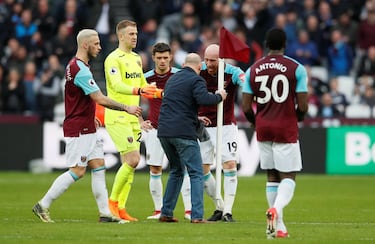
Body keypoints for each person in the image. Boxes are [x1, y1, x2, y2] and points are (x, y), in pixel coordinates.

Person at [32, 29, 142, 223]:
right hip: (79, 128)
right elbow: (98, 97)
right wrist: (126, 107)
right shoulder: (80, 70)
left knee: (99, 166)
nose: (100, 47)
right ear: (85, 45)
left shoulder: (75, 66)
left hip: (87, 126)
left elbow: (81, 99)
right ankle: (43, 204)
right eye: (96, 44)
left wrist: (91, 116)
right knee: (78, 171)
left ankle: (105, 214)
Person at [242, 28, 308, 238]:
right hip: (285, 127)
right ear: (285, 44)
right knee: (288, 176)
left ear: (266, 44)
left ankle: (278, 227)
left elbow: (245, 107)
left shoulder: (253, 69)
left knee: (271, 176)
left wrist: (255, 122)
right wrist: (296, 117)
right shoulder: (296, 68)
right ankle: (276, 211)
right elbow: (304, 105)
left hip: (263, 127)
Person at [157, 53, 227, 223]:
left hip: (164, 131)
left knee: (176, 171)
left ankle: (166, 212)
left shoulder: (172, 79)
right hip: (183, 133)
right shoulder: (196, 80)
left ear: (183, 64)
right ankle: (197, 216)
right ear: (199, 67)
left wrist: (195, 119)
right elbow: (203, 99)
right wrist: (219, 96)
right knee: (196, 172)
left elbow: (177, 106)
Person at [104, 19, 156, 221]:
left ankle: (122, 208)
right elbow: (116, 86)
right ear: (121, 36)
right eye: (131, 34)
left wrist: (159, 93)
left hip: (133, 118)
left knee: (131, 165)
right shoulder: (112, 59)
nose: (135, 37)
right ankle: (111, 204)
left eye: (136, 33)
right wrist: (139, 90)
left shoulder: (136, 58)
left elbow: (142, 83)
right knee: (133, 159)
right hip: (117, 116)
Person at [143, 42, 192, 220]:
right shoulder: (145, 78)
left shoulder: (179, 76)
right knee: (155, 169)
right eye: (159, 57)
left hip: (177, 128)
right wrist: (140, 120)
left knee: (184, 168)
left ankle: (189, 210)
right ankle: (158, 210)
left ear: (171, 57)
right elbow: (132, 100)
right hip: (155, 128)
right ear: (153, 57)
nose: (162, 61)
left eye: (166, 57)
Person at [198, 44, 245, 222]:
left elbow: (245, 81)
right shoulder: (198, 70)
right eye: (207, 59)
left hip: (225, 126)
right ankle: (219, 206)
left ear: (221, 59)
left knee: (230, 164)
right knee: (202, 168)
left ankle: (228, 211)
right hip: (202, 125)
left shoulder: (232, 72)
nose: (208, 64)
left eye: (213, 60)